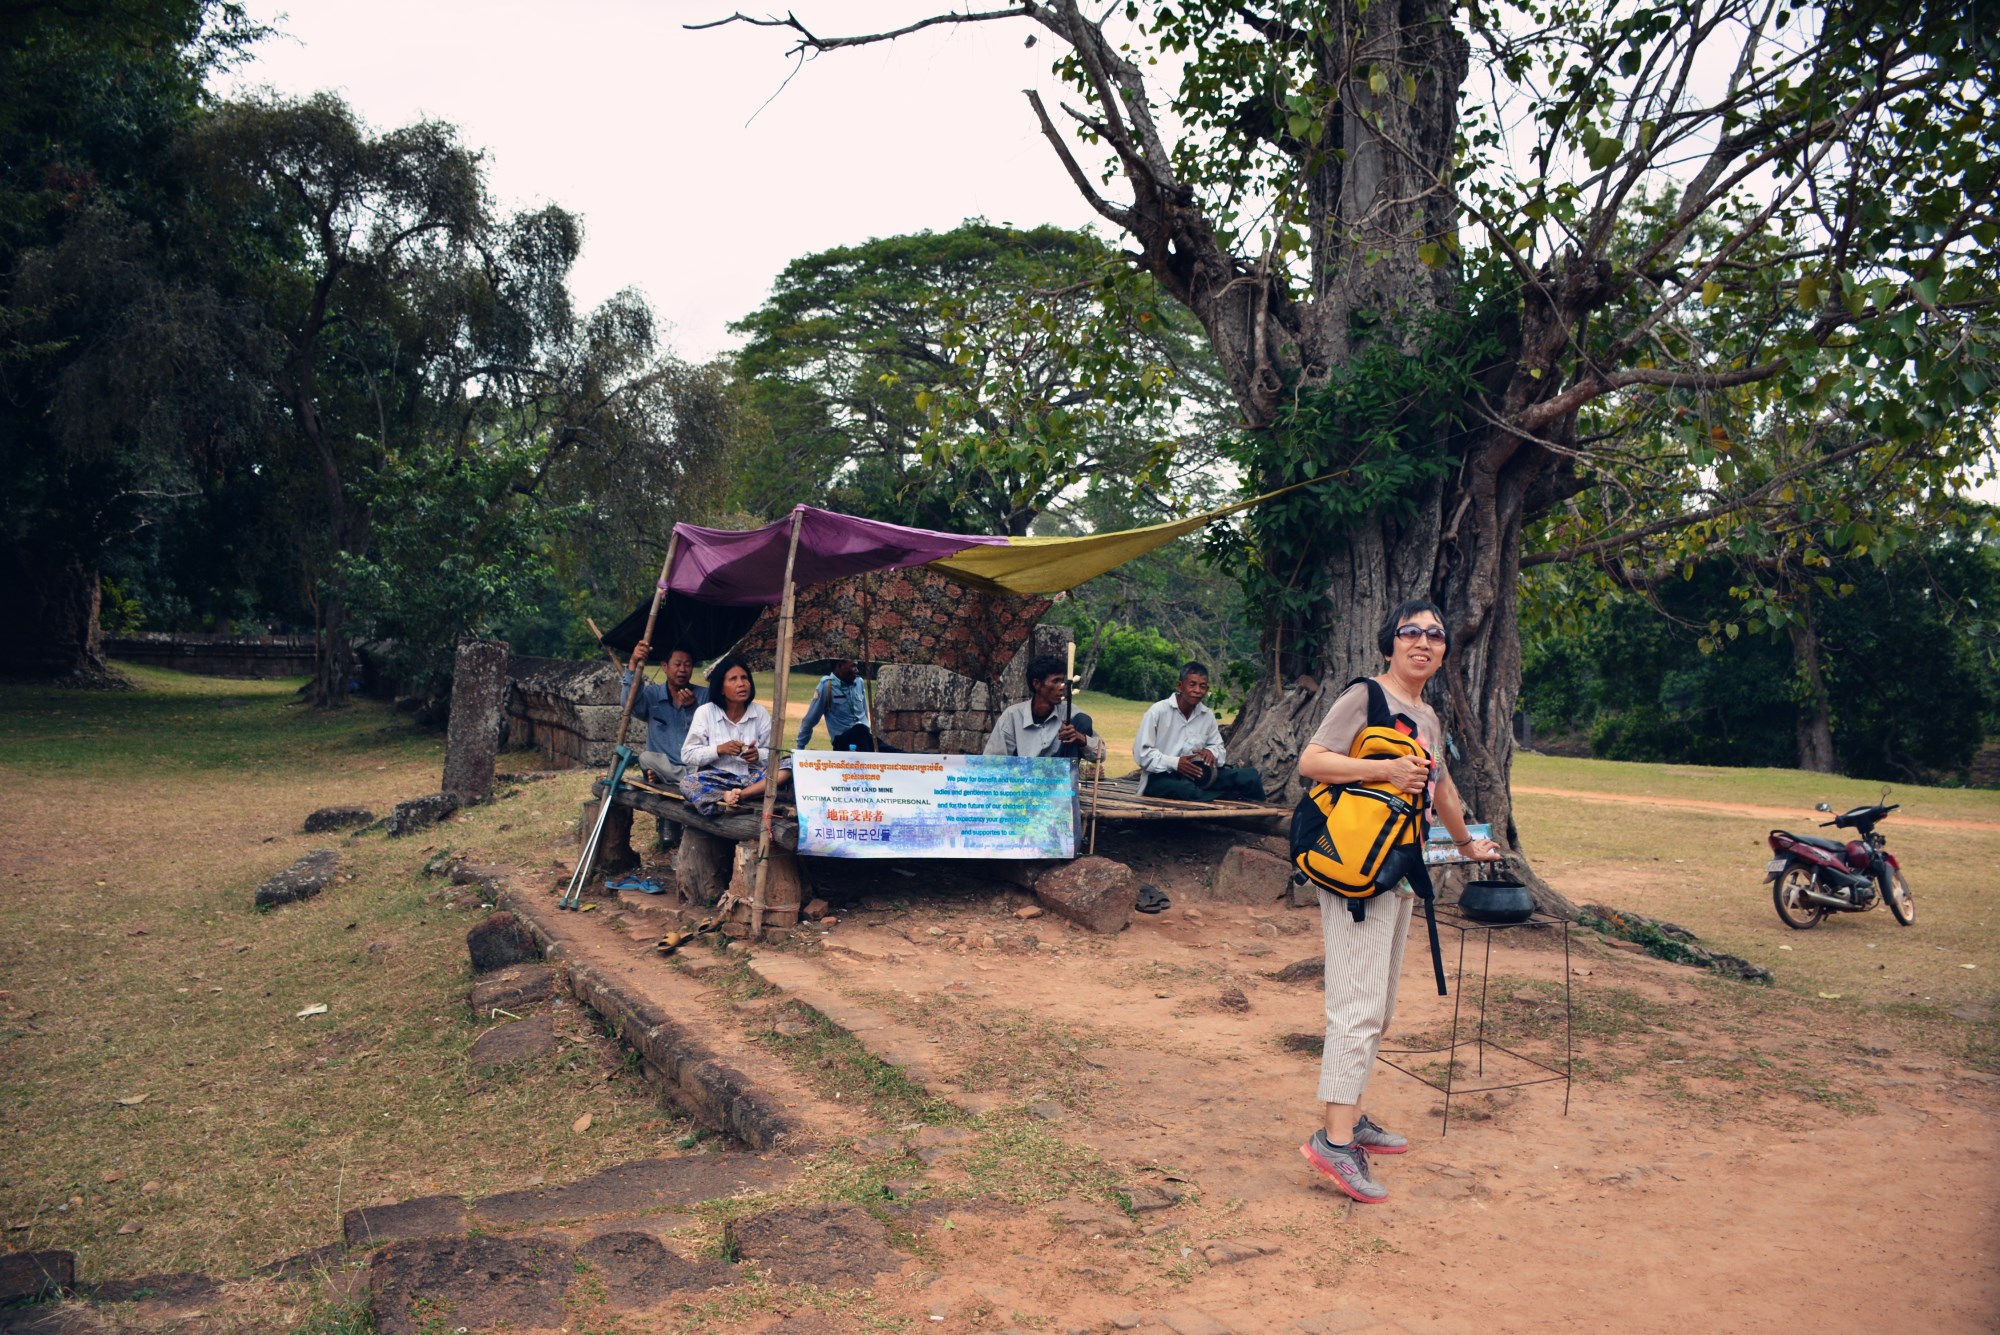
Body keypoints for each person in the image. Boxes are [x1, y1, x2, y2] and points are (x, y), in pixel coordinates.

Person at [1296, 599, 1502, 1205]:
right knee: (1355, 1008)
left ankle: (1349, 1113)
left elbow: (1442, 788)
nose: (1424, 641)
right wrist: (1382, 770)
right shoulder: (1365, 697)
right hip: (1353, 869)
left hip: (1401, 870)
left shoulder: (1428, 716)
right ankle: (1333, 1143)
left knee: (1378, 1007)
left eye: (1435, 634)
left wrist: (1466, 845)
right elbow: (1312, 761)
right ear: (1390, 643)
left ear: (1443, 650)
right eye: (1411, 631)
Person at [600, 641, 707, 871]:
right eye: (677, 664)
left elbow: (709, 733)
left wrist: (692, 709)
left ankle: (681, 780)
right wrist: (632, 665)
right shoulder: (652, 696)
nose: (682, 670)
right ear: (664, 666)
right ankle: (677, 779)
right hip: (668, 768)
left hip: (696, 769)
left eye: (687, 665)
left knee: (700, 770)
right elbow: (627, 704)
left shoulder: (703, 697)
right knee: (647, 758)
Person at [1132, 661, 1266, 802]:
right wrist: (1175, 763)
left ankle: (1264, 816)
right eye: (1192, 684)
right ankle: (1228, 797)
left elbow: (1219, 748)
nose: (1197, 690)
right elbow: (1142, 754)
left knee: (1249, 776)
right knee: (1186, 790)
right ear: (1180, 686)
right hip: (1160, 777)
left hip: (1198, 777)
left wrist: (1211, 752)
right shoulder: (1158, 711)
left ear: (1207, 689)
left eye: (1202, 686)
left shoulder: (1207, 715)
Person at [679, 655, 790, 815]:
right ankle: (726, 796)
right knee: (688, 783)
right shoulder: (705, 712)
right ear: (721, 688)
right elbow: (688, 754)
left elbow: (773, 752)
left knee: (790, 763)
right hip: (719, 778)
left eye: (744, 678)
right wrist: (719, 749)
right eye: (733, 679)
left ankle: (742, 795)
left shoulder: (759, 712)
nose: (741, 684)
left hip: (753, 777)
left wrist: (758, 754)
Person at [983, 653, 1106, 761]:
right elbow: (993, 760)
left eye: (1062, 681)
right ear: (1036, 684)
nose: (1062, 686)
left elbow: (1101, 755)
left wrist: (1080, 737)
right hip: (1023, 780)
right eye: (1055, 681)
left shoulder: (1071, 712)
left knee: (1083, 720)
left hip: (1061, 780)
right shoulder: (1013, 716)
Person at [794, 658, 890, 752]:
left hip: (864, 738)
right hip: (843, 741)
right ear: (839, 666)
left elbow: (864, 714)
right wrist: (800, 747)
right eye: (853, 666)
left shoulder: (859, 682)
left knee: (897, 755)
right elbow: (809, 720)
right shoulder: (827, 686)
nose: (857, 670)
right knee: (859, 729)